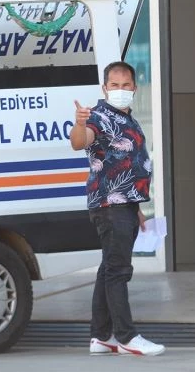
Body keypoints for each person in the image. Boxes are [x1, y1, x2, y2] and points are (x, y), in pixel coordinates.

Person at [70, 61, 165, 357]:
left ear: (135, 89)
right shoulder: (98, 116)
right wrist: (80, 123)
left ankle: (101, 336)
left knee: (108, 268)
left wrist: (136, 206)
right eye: (114, 86)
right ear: (104, 88)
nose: (120, 91)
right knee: (118, 271)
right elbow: (79, 142)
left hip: (124, 204)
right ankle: (127, 337)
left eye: (126, 86)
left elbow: (130, 165)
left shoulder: (130, 120)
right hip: (110, 206)